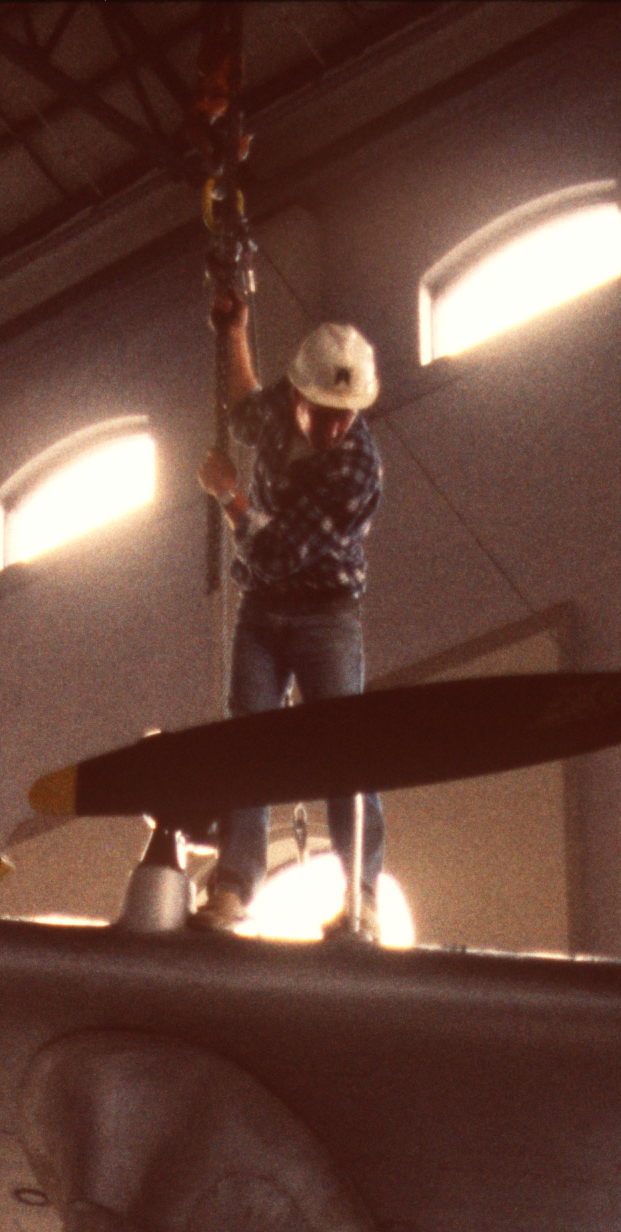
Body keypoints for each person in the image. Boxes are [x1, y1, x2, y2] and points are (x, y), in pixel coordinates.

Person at [193, 298, 385, 940]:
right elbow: (244, 406)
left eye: (347, 416)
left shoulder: (359, 468)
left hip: (325, 611)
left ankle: (360, 894)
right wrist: (236, 327)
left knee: (346, 749)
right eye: (325, 415)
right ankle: (234, 884)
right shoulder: (281, 406)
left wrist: (229, 494)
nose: (336, 429)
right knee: (248, 741)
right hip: (263, 608)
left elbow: (278, 549)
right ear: (298, 396)